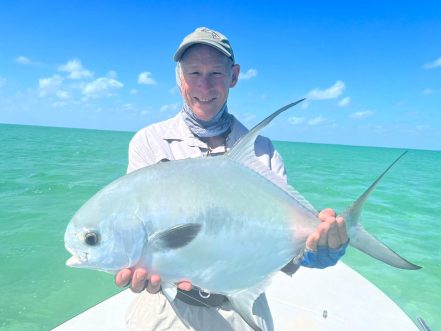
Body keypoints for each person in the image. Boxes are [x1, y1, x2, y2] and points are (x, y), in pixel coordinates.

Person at [115, 27, 349, 330]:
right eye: (194, 73)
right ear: (179, 78)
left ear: (234, 76)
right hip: (169, 307)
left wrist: (314, 249)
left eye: (215, 73)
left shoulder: (261, 151)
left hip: (242, 305)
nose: (204, 85)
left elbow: (281, 239)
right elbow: (135, 228)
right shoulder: (149, 142)